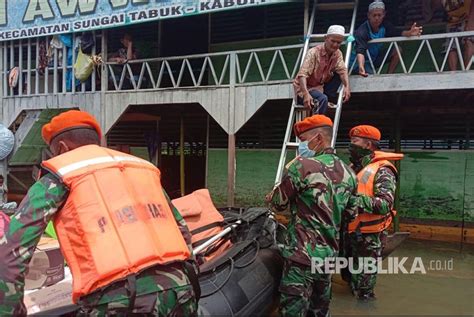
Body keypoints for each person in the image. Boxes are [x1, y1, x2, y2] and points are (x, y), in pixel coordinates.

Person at [0, 110, 198, 316]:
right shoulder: (141, 169)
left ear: (61, 148)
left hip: (120, 300)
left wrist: (11, 311)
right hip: (181, 290)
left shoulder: (60, 177)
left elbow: (10, 256)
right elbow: (182, 232)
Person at [266, 115, 357, 317]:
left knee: (293, 310)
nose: (302, 145)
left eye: (304, 139)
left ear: (317, 138)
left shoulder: (304, 167)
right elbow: (351, 214)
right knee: (319, 311)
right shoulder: (349, 174)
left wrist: (273, 194)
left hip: (301, 258)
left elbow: (277, 204)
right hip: (327, 259)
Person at [345, 125, 403, 300]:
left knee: (364, 289)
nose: (350, 145)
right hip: (352, 233)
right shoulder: (354, 167)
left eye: (354, 141)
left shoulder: (383, 170)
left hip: (370, 237)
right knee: (349, 278)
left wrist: (351, 201)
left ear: (368, 144)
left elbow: (385, 204)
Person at [350, 0, 423, 76]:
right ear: (369, 15)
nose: (377, 18)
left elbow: (397, 33)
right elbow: (360, 51)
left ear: (384, 14)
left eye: (379, 15)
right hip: (358, 63)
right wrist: (361, 67)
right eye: (374, 15)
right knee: (373, 80)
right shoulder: (362, 31)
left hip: (373, 59)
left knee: (397, 50)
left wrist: (409, 33)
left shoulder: (385, 26)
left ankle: (389, 75)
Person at [293, 25, 351, 115]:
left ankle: (328, 99)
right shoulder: (313, 52)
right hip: (305, 89)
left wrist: (347, 87)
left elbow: (342, 70)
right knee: (322, 99)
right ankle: (318, 123)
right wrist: (305, 94)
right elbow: (302, 75)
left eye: (338, 43)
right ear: (326, 38)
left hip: (320, 87)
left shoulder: (338, 53)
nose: (335, 45)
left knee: (340, 74)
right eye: (333, 41)